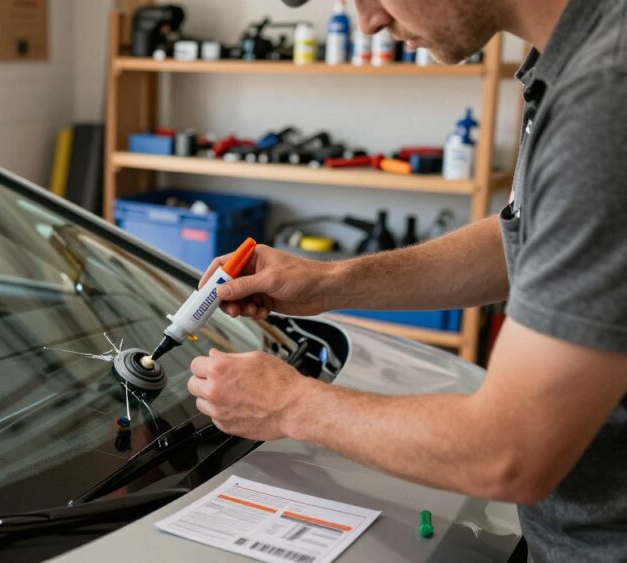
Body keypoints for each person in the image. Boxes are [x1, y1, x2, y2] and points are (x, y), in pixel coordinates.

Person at [187, 0, 627, 561]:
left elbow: (509, 451)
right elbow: (527, 239)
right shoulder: (563, 57)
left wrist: (292, 406)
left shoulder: (606, 92)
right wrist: (329, 282)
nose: (367, 20)